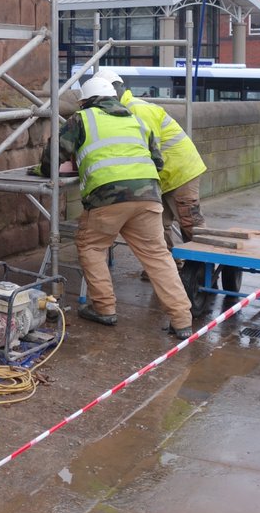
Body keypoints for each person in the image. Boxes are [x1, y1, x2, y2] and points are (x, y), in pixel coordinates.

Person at [46, 74, 194, 339]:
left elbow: (51, 158)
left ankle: (104, 308)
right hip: (148, 196)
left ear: (86, 101)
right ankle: (182, 319)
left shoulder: (82, 119)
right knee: (158, 256)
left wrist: (53, 169)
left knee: (91, 246)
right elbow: (157, 162)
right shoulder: (136, 121)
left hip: (106, 199)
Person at [94, 67, 207, 252]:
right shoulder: (124, 109)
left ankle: (204, 268)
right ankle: (168, 267)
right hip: (165, 174)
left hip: (180, 172)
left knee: (190, 223)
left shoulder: (136, 109)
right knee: (158, 227)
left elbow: (149, 149)